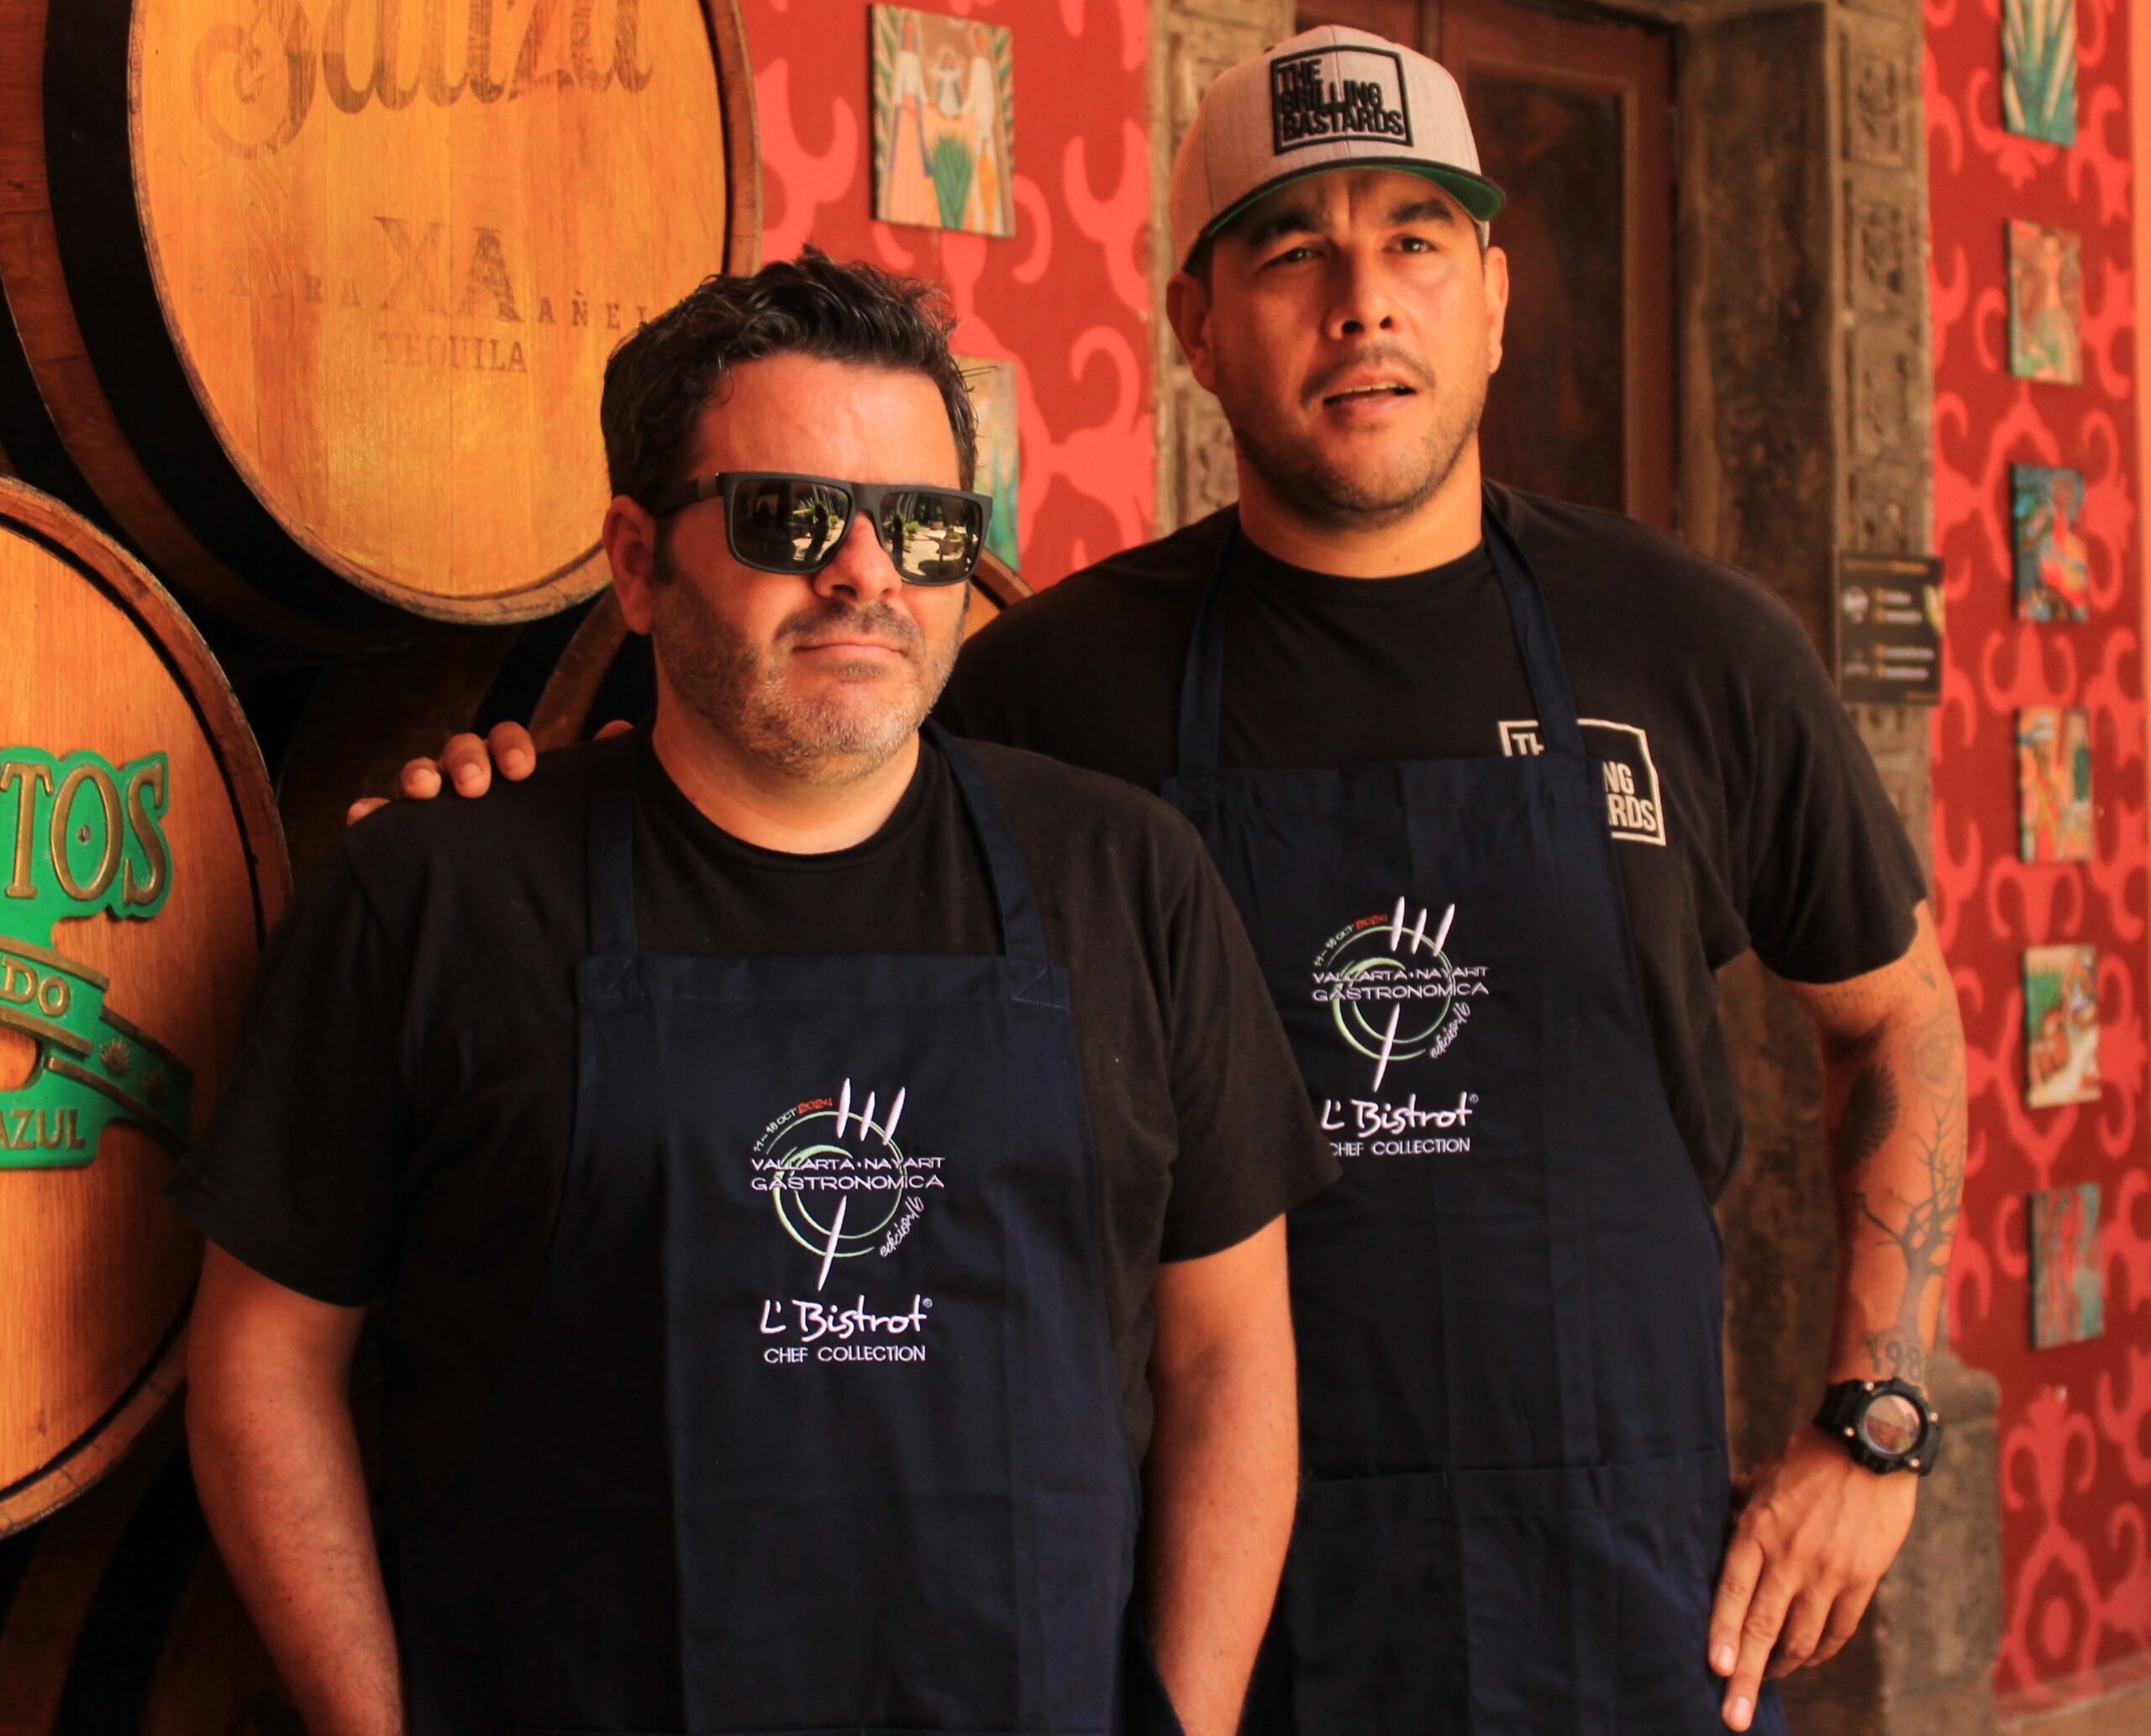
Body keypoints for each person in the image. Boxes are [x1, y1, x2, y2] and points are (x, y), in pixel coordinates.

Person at [409, 28, 1969, 1736]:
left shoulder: (1701, 652)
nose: (1360, 304)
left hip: (1615, 1593)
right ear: (1196, 326)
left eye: (1414, 241)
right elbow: (764, 826)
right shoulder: (1044, 689)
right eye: (1291, 251)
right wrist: (518, 810)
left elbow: (1893, 1016)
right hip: (1189, 1599)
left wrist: (1875, 1421)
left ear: (1495, 299)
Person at [176, 253, 1335, 1736]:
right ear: (637, 560)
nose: (865, 571)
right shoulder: (433, 896)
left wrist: (1192, 1719)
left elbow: (1231, 1357)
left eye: (924, 528)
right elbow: (263, 1366)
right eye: (790, 516)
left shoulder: (1130, 878)